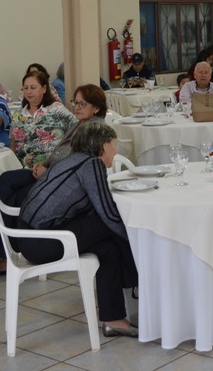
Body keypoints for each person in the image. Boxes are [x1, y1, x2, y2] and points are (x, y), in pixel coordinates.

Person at [0, 84, 108, 276]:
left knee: (16, 198)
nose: (77, 107)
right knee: (7, 178)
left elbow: (75, 165)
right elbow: (59, 151)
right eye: (75, 102)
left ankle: (5, 257)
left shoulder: (94, 130)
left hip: (59, 184)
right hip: (49, 173)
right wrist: (45, 165)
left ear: (96, 108)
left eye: (83, 103)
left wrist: (48, 172)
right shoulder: (79, 124)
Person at [17, 120, 138, 337]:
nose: (116, 150)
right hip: (42, 241)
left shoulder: (72, 160)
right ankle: (139, 282)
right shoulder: (91, 165)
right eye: (114, 144)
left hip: (28, 236)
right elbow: (108, 214)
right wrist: (135, 240)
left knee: (108, 248)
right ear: (102, 146)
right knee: (112, 224)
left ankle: (114, 319)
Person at [10, 71, 76, 168]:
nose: (29, 92)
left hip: (52, 165)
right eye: (25, 88)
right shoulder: (18, 115)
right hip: (24, 167)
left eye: (33, 88)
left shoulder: (56, 109)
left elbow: (78, 128)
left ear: (44, 89)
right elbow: (14, 145)